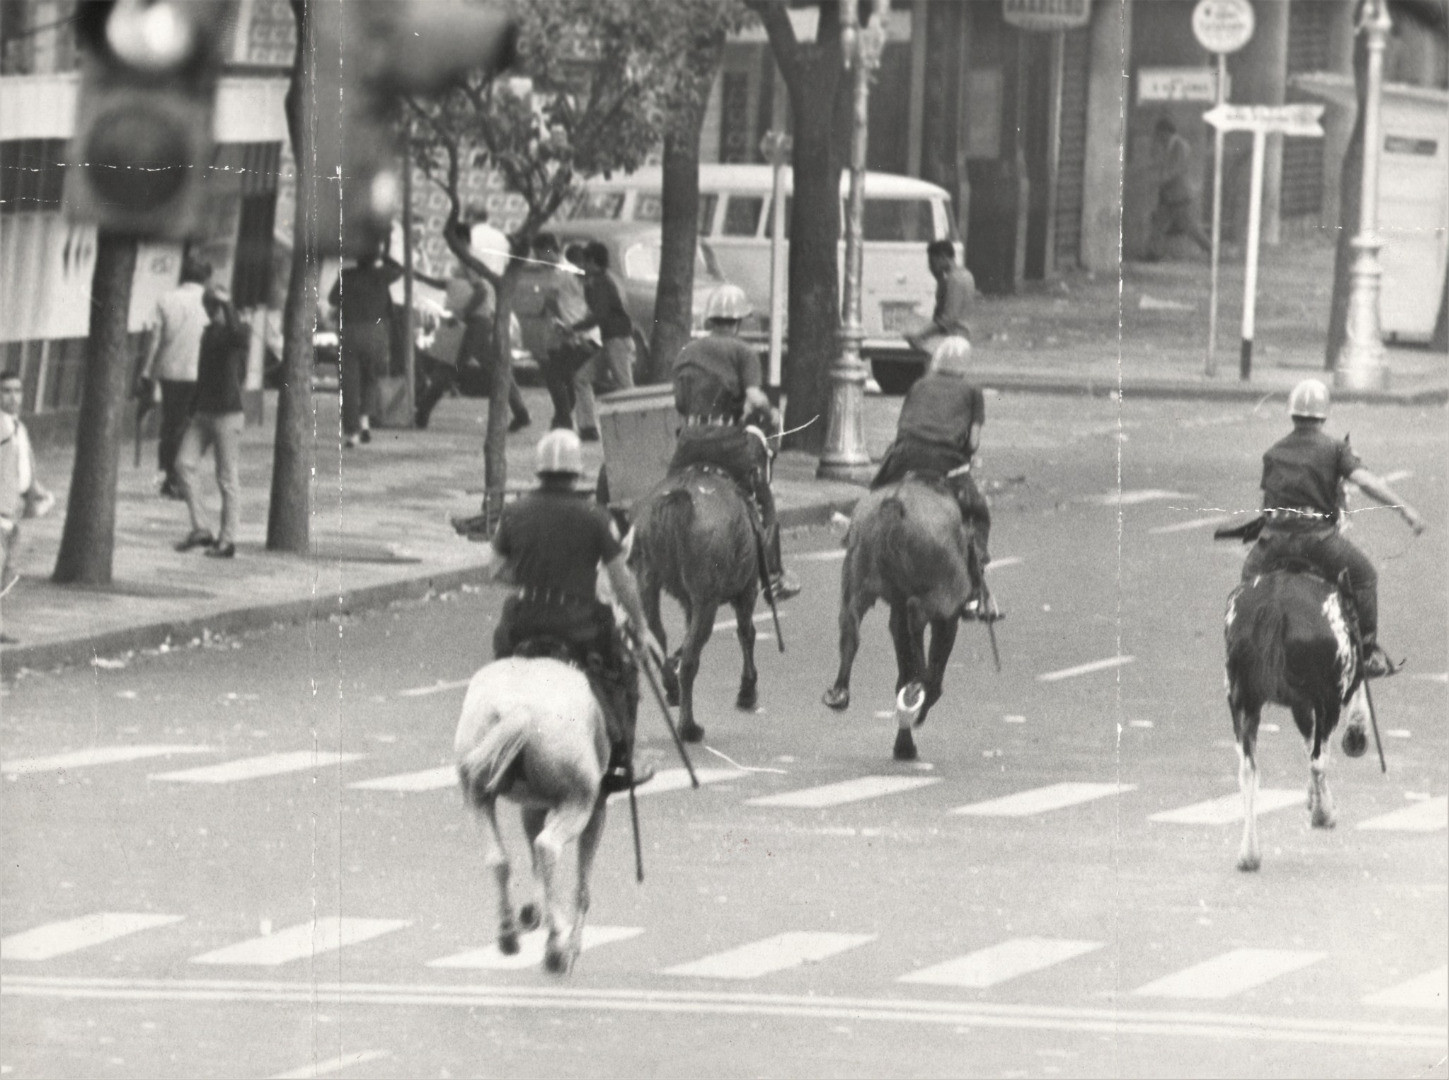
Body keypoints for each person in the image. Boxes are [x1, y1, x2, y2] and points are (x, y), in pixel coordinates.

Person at [487, 429, 664, 795]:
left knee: (502, 662)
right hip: (577, 624)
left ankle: (494, 731)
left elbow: (497, 570)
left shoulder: (514, 512)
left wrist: (536, 577)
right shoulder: (594, 516)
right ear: (576, 473)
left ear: (539, 471)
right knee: (622, 671)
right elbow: (622, 580)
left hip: (523, 621)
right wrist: (641, 626)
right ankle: (620, 757)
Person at [1240, 378, 1425, 678]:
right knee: (1365, 577)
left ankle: (1247, 647)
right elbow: (1365, 482)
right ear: (1323, 415)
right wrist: (1405, 510)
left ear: (1292, 413)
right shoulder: (1335, 448)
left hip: (1274, 540)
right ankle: (1367, 653)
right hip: (1317, 540)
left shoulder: (1273, 452)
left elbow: (1268, 504)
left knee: (1249, 581)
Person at [668, 284, 800, 601]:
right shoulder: (743, 352)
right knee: (763, 500)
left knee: (667, 496)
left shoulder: (686, 352)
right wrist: (770, 412)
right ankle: (774, 577)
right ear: (738, 322)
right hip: (727, 443)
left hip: (689, 441)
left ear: (710, 319)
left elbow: (681, 403)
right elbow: (754, 396)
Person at [871, 337, 997, 617]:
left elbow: (903, 425)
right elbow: (973, 442)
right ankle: (973, 588)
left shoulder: (919, 385)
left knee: (877, 494)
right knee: (977, 514)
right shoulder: (972, 391)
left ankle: (860, 548)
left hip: (903, 458)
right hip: (944, 462)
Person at [173, 290, 250, 559]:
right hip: (204, 412)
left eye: (215, 308)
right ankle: (201, 528)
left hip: (228, 414)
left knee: (226, 478)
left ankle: (227, 540)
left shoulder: (236, 333)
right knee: (184, 464)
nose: (211, 312)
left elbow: (238, 337)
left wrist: (227, 305)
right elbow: (203, 373)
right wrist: (191, 409)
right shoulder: (208, 334)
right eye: (208, 307)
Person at [139, 255, 211, 498]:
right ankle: (183, 477)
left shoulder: (166, 299)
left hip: (169, 371)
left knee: (171, 423)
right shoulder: (210, 302)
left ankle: (170, 475)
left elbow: (155, 339)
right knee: (191, 425)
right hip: (200, 372)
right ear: (206, 278)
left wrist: (146, 371)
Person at [330, 244, 403, 448]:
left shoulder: (346, 275)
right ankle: (365, 423)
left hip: (350, 331)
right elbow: (399, 269)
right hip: (375, 333)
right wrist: (384, 255)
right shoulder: (382, 275)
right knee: (370, 379)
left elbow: (332, 299)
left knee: (349, 384)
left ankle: (351, 433)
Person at [1, 370, 55, 641]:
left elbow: (22, 468)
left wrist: (38, 492)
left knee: (7, 570)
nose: (13, 397)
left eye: (17, 391)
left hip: (14, 509)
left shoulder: (19, 428)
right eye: (6, 391)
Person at [533, 233, 596, 436]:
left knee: (555, 375)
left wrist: (565, 328)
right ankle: (564, 419)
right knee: (566, 376)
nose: (538, 259)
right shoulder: (569, 271)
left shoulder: (562, 272)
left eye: (539, 254)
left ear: (549, 249)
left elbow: (553, 303)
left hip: (571, 333)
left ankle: (564, 419)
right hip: (574, 331)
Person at [573, 240, 636, 395]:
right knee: (581, 379)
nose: (582, 267)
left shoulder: (600, 282)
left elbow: (600, 314)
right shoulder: (608, 278)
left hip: (616, 340)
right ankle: (588, 413)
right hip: (613, 339)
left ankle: (636, 412)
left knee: (625, 386)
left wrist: (575, 328)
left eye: (584, 262)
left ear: (592, 261)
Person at [1147, 116, 1211, 260]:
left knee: (1191, 227)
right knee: (1159, 224)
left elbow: (1176, 168)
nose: (1158, 137)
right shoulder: (1169, 145)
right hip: (1169, 193)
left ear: (1166, 131)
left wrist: (1160, 179)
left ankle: (1211, 249)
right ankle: (1153, 253)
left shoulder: (1180, 146)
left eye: (1159, 133)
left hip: (1179, 194)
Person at [907, 240, 974, 357]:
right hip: (961, 338)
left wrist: (921, 336)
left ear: (943, 257)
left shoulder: (954, 279)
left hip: (953, 341)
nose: (930, 266)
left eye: (933, 262)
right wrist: (939, 280)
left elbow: (948, 318)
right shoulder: (965, 275)